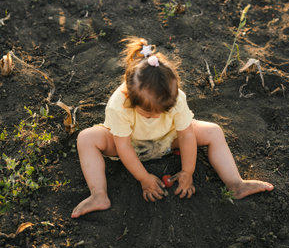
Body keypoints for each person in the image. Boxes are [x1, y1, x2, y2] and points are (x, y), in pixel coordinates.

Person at [71, 37, 274, 218]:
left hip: (168, 139)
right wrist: (144, 178)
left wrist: (188, 171)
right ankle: (98, 194)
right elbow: (123, 146)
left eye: (164, 111)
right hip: (131, 145)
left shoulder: (176, 97)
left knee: (213, 131)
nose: (157, 116)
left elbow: (186, 135)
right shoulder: (119, 104)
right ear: (128, 97)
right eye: (149, 113)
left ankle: (235, 183)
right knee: (87, 138)